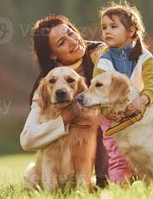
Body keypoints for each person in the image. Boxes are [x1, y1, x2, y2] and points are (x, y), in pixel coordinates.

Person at [19, 15, 109, 187]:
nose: (73, 41)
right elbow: (27, 140)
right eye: (61, 42)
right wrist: (67, 117)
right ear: (52, 55)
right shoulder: (46, 87)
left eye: (71, 33)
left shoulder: (102, 55)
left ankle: (112, 178)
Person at [93, 1, 153, 184]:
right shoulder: (104, 61)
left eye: (113, 26)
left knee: (146, 153)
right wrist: (110, 112)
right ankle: (119, 188)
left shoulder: (144, 57)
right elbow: (97, 92)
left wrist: (143, 100)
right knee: (119, 158)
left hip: (140, 113)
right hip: (112, 118)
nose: (106, 31)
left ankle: (148, 184)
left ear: (131, 31)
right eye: (104, 27)